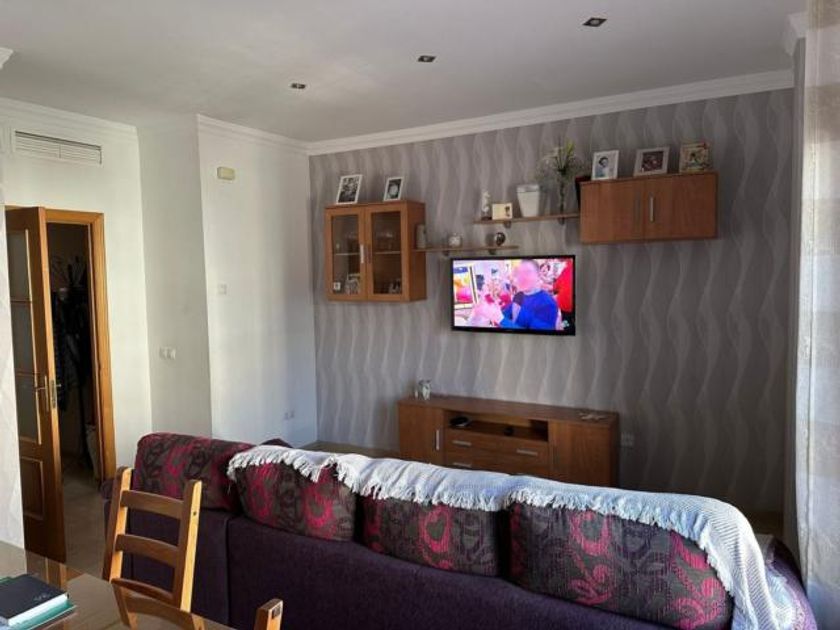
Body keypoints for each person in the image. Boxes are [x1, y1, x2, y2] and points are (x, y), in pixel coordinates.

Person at [471, 259, 557, 330]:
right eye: (519, 273)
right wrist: (489, 310)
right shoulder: (519, 296)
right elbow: (506, 316)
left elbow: (537, 339)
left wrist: (500, 319)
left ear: (538, 276)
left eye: (528, 272)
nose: (522, 277)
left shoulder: (548, 304)